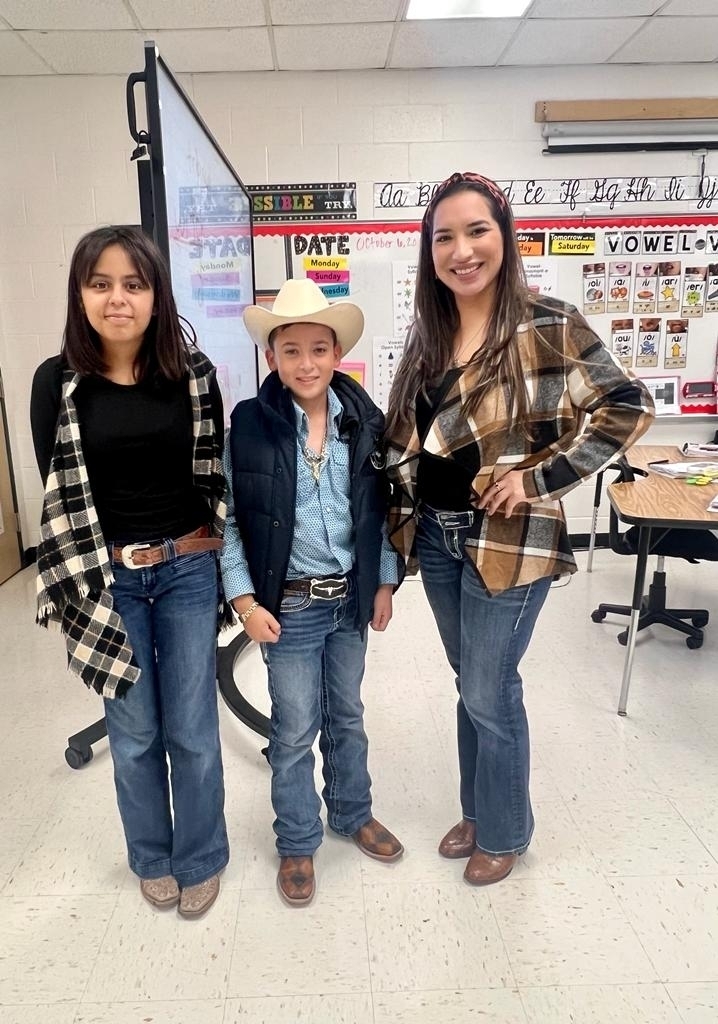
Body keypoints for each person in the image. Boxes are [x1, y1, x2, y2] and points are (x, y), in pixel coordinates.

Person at [385, 171, 654, 886]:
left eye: (477, 231)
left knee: (489, 685)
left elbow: (627, 406)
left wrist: (537, 479)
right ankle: (478, 811)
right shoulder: (428, 335)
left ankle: (505, 831)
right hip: (437, 536)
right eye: (444, 237)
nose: (462, 251)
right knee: (469, 681)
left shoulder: (548, 323)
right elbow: (407, 439)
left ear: (504, 236)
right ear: (429, 252)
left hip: (511, 538)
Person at [30, 226, 229, 917]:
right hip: (107, 577)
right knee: (134, 729)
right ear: (80, 294)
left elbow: (210, 475)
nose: (118, 299)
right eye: (101, 283)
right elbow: (60, 491)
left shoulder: (192, 374)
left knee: (193, 729)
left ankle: (201, 857)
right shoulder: (57, 383)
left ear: (156, 295)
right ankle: (151, 856)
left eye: (134, 284)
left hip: (186, 568)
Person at [221, 278, 403, 906]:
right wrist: (245, 602)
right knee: (295, 728)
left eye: (318, 349)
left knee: (347, 715)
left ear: (337, 353)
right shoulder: (249, 426)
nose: (306, 364)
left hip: (348, 600)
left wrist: (383, 581)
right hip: (289, 606)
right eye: (291, 350)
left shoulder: (364, 422)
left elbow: (380, 511)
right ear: (271, 355)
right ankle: (298, 838)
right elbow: (230, 520)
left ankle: (352, 812)